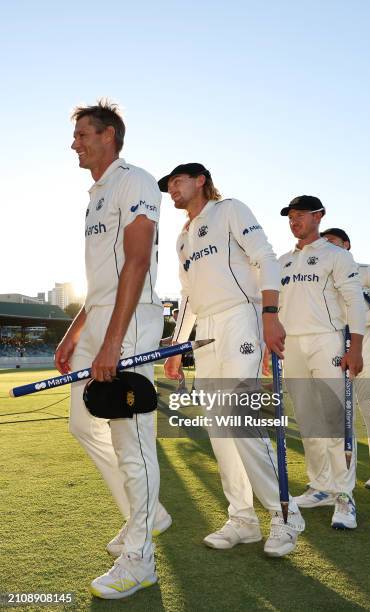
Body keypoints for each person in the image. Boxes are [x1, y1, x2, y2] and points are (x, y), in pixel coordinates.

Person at [55, 100, 170, 600]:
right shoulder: (95, 195)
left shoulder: (135, 180)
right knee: (83, 422)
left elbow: (137, 262)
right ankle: (147, 514)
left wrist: (114, 343)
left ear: (108, 136)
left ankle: (140, 559)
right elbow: (100, 278)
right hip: (100, 318)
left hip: (133, 321)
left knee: (132, 440)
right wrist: (76, 330)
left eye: (81, 134)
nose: (74, 143)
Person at [161, 163, 305, 557]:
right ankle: (242, 518)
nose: (171, 189)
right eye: (168, 185)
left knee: (238, 420)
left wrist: (270, 316)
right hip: (205, 331)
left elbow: (266, 258)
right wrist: (178, 346)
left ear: (201, 180)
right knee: (219, 429)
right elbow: (187, 295)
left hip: (241, 316)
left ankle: (285, 513)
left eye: (178, 181)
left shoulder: (230, 210)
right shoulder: (182, 236)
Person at [278, 196, 366, 529]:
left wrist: (354, 346)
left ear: (319, 216)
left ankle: (344, 496)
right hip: (292, 346)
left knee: (334, 421)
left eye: (300, 215)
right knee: (309, 420)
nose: (294, 220)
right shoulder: (283, 261)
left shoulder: (337, 256)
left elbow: (354, 301)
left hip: (326, 340)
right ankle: (321, 487)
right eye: (290, 216)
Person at [320, 228, 370, 490]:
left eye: (332, 242)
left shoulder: (366, 271)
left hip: (369, 354)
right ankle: (341, 472)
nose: (327, 246)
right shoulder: (321, 278)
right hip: (333, 356)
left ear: (347, 245)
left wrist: (358, 322)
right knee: (336, 416)